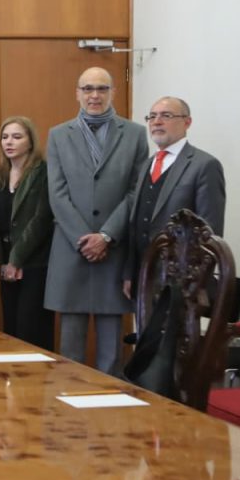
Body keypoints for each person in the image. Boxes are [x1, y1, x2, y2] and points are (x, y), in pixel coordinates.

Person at [45, 67, 147, 373]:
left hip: (113, 251)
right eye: (87, 89)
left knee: (111, 352)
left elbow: (136, 191)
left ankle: (111, 416)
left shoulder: (134, 134)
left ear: (113, 92)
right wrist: (84, 239)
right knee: (70, 349)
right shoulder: (58, 135)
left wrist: (105, 236)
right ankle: (70, 413)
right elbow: (57, 193)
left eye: (102, 89)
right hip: (71, 249)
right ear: (77, 93)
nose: (94, 95)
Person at [124, 96, 225, 299]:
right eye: (152, 116)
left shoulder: (204, 165)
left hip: (182, 285)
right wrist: (129, 273)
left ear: (187, 122)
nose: (157, 122)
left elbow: (210, 232)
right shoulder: (147, 164)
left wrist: (192, 285)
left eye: (166, 115)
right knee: (145, 332)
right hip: (142, 277)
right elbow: (136, 224)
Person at [0, 116, 55, 350]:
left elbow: (41, 219)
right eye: (5, 137)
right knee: (11, 332)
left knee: (31, 333)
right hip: (6, 265)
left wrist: (17, 259)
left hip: (34, 264)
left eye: (16, 137)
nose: (9, 142)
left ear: (30, 142)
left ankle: (37, 385)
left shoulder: (43, 172)